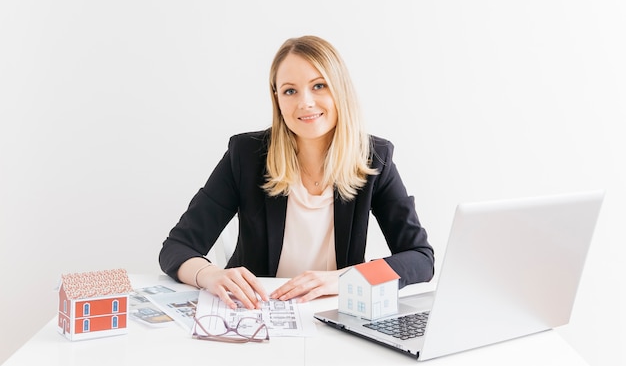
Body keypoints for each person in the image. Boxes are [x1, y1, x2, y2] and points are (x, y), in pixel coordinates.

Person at [159, 35, 434, 310]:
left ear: (340, 90)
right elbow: (177, 248)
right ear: (277, 98)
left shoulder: (374, 158)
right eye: (290, 91)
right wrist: (210, 275)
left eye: (319, 86)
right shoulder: (245, 155)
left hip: (335, 314)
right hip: (255, 313)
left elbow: (420, 258)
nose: (306, 102)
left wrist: (346, 279)